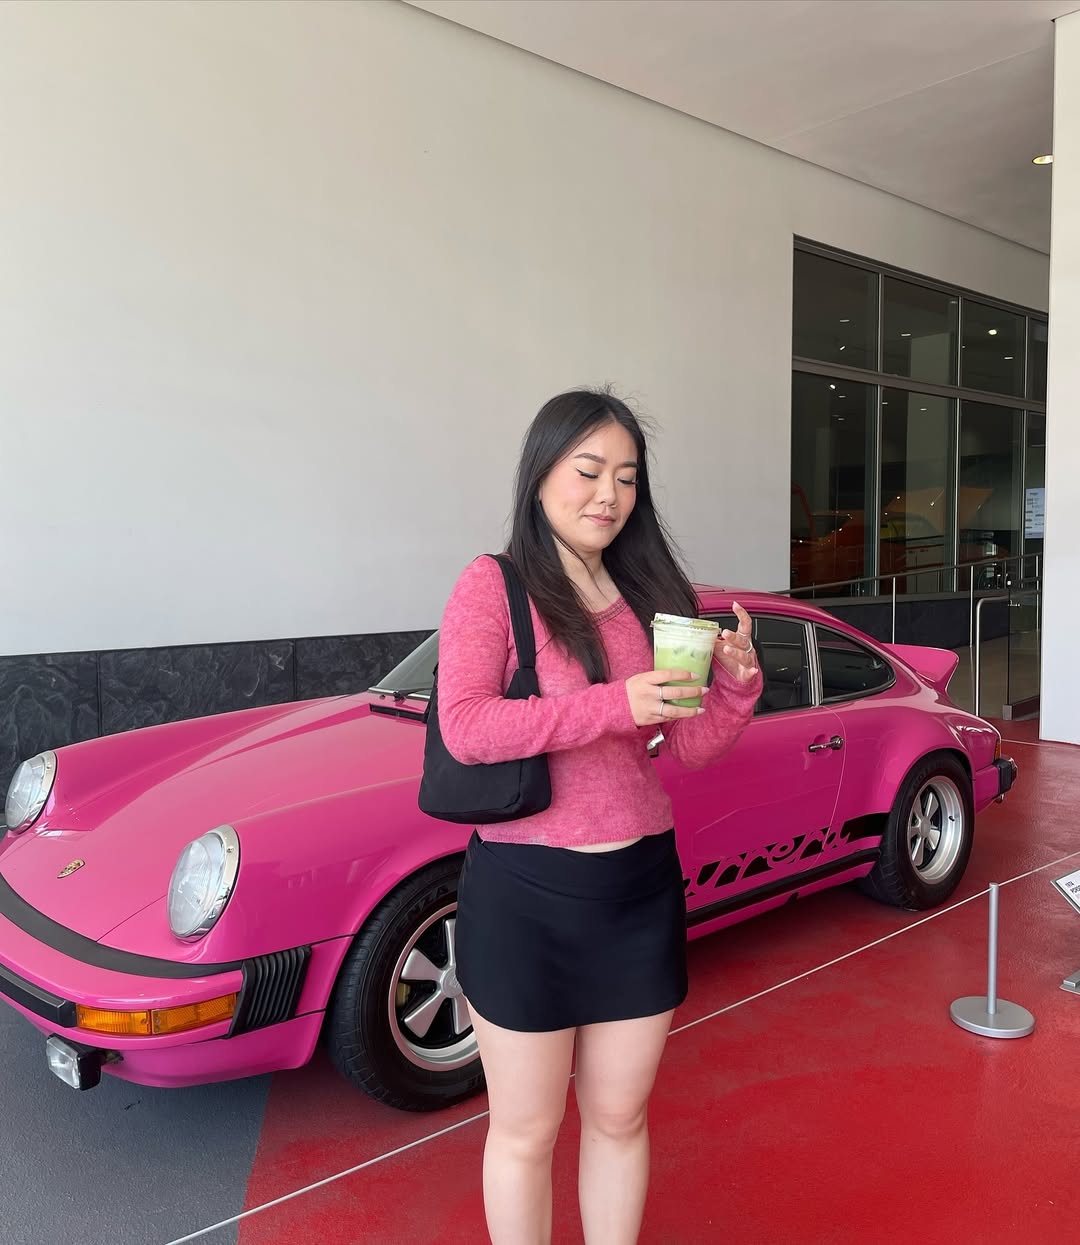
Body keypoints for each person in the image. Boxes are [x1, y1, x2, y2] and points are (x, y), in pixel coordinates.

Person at [437, 389, 762, 1245]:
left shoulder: (650, 592)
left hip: (637, 888)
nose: (607, 494)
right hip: (525, 894)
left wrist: (733, 688)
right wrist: (616, 703)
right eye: (588, 471)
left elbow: (687, 747)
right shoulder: (494, 584)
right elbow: (466, 727)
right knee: (527, 1130)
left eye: (625, 476)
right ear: (541, 472)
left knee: (620, 1117)